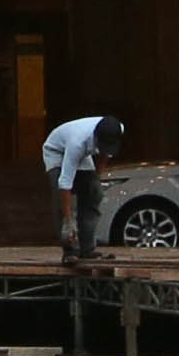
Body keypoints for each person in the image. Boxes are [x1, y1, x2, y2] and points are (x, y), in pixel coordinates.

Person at [40, 108, 126, 259]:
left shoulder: (118, 129)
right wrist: (68, 220)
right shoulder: (77, 143)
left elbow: (105, 155)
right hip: (56, 151)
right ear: (96, 137)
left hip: (84, 153)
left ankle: (87, 249)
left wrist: (96, 178)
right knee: (64, 203)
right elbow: (65, 183)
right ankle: (70, 251)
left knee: (94, 193)